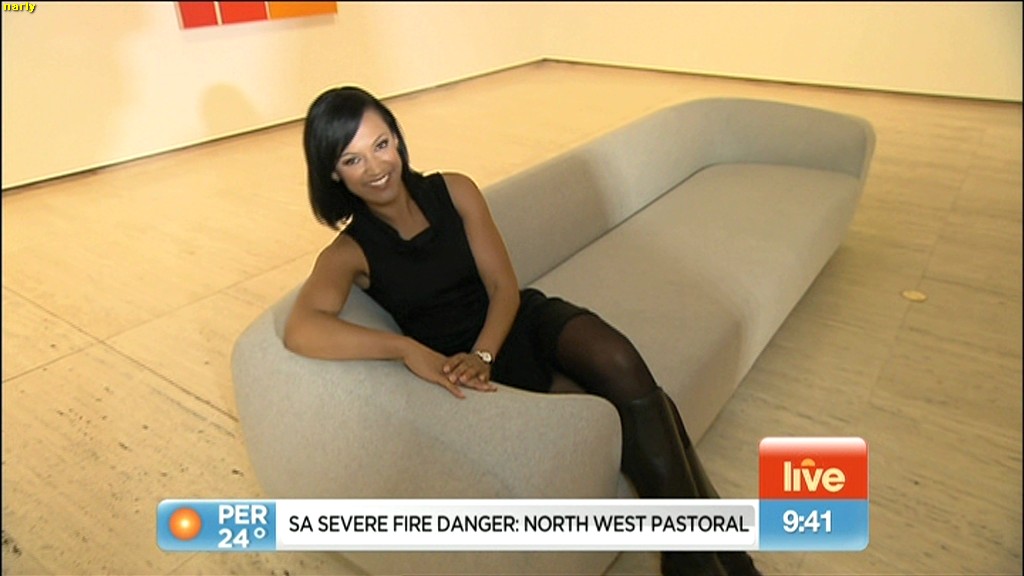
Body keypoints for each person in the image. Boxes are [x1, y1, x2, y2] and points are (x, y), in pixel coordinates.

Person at [284, 86, 761, 576]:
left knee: (619, 362)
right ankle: (721, 557)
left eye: (381, 145)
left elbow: (503, 287)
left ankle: (690, 558)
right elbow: (301, 328)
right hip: (469, 362)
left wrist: (485, 352)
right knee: (639, 413)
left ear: (397, 139)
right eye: (353, 159)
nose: (376, 167)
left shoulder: (454, 190)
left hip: (515, 322)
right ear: (333, 173)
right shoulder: (349, 253)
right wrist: (404, 348)